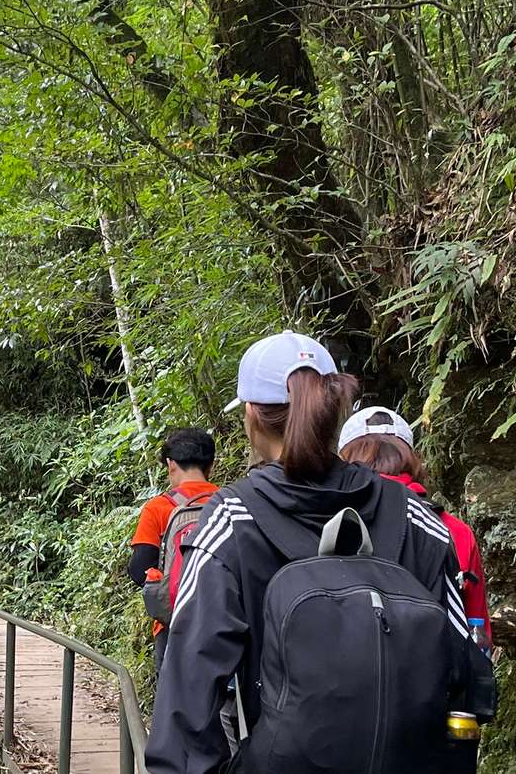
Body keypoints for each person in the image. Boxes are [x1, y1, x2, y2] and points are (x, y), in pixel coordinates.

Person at [146, 331, 482, 774]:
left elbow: (189, 688)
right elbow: (463, 668)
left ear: (251, 415)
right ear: (333, 409)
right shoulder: (414, 517)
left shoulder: (231, 519)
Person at [337, 406, 492, 649]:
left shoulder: (328, 522)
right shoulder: (454, 531)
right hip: (431, 679)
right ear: (409, 458)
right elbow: (477, 635)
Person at [129, 427, 220, 655]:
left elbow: (140, 568)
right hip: (223, 619)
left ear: (170, 464)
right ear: (211, 465)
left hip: (173, 623)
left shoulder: (157, 508)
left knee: (172, 688)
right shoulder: (230, 501)